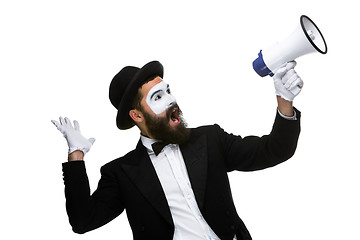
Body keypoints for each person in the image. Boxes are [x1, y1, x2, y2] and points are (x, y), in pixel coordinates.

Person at [52, 60, 303, 240]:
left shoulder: (210, 139)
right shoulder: (122, 173)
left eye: (168, 91)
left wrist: (285, 102)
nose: (171, 100)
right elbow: (83, 222)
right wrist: (76, 156)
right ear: (136, 115)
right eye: (158, 97)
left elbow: (274, 150)